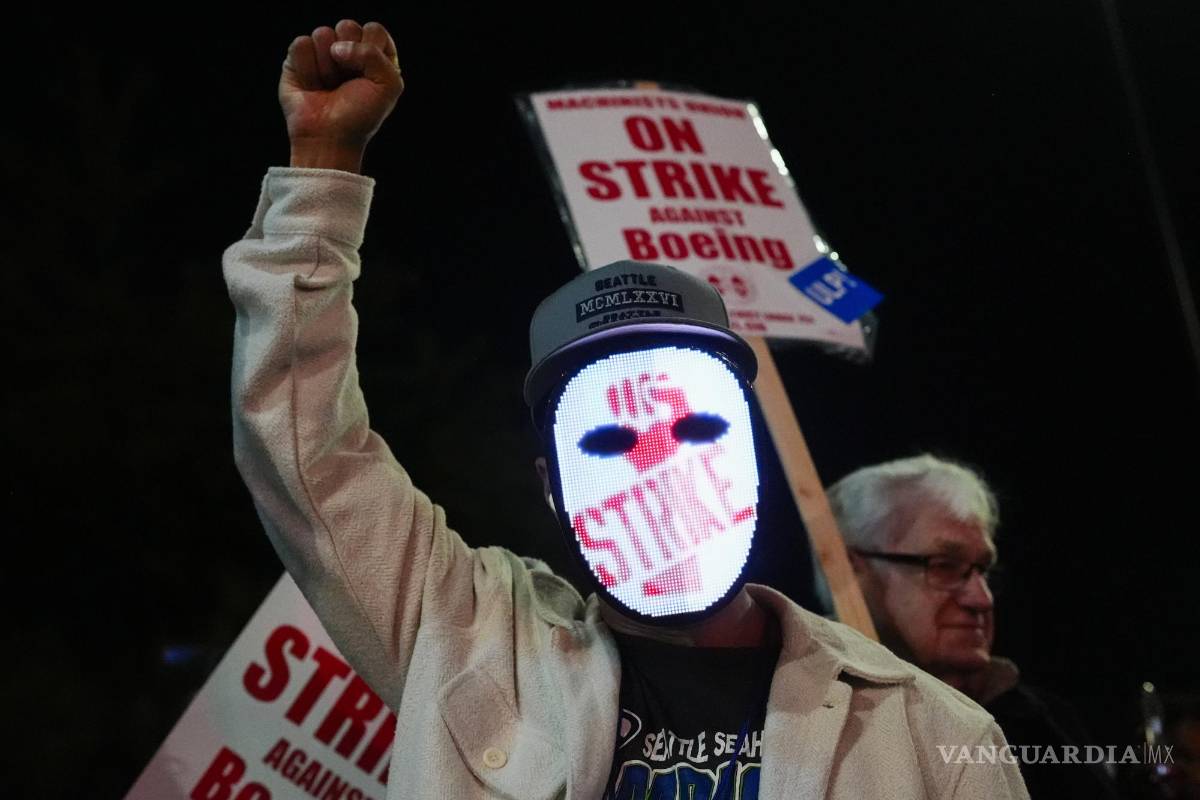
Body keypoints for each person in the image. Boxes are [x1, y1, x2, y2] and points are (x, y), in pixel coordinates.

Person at [224, 19, 1028, 799]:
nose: (658, 464)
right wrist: (323, 168)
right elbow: (305, 452)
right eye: (609, 437)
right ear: (553, 484)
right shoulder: (470, 639)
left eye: (699, 426)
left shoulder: (924, 738)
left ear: (750, 447)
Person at [827, 454, 1121, 799]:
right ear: (851, 570)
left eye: (983, 569)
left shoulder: (1043, 725)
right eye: (944, 566)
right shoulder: (804, 717)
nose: (981, 599)